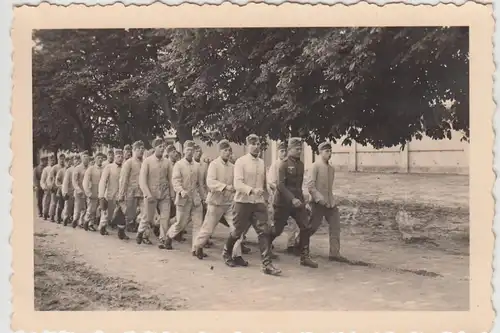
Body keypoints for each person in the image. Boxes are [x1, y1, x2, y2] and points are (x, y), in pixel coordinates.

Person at [222, 134, 281, 276]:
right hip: (242, 202)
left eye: (258, 143)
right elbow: (237, 183)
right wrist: (252, 190)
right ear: (247, 145)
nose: (256, 146)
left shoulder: (261, 163)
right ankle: (226, 252)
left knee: (264, 231)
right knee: (237, 232)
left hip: (258, 203)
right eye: (252, 143)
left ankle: (267, 264)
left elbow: (264, 182)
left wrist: (268, 193)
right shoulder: (241, 162)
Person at [192, 140, 246, 263]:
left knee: (237, 229)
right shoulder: (214, 165)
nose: (227, 153)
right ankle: (198, 246)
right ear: (220, 151)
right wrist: (225, 187)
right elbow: (210, 182)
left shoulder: (233, 167)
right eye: (225, 150)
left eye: (229, 150)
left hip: (228, 203)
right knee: (208, 228)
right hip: (215, 203)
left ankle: (236, 255)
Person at [270, 137, 318, 268]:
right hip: (283, 202)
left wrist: (303, 201)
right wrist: (292, 199)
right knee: (277, 230)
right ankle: (266, 246)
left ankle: (305, 257)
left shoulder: (301, 165)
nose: (299, 151)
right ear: (289, 150)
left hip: (297, 202)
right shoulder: (284, 164)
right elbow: (280, 185)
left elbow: (298, 186)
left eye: (301, 149)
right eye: (297, 149)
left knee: (306, 227)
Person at [306, 142, 348, 263]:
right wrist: (319, 199)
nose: (329, 154)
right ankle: (299, 244)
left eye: (330, 151)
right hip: (317, 203)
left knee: (335, 226)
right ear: (320, 152)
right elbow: (310, 186)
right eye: (326, 151)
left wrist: (331, 201)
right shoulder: (315, 166)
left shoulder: (331, 169)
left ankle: (334, 253)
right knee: (312, 227)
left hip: (330, 204)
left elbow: (329, 188)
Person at [164, 140, 205, 250]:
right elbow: (175, 181)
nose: (190, 152)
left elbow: (200, 184)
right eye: (188, 149)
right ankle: (168, 236)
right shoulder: (179, 165)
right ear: (183, 151)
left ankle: (196, 248)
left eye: (192, 150)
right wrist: (181, 191)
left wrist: (204, 198)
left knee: (198, 224)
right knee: (180, 224)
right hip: (183, 199)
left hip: (195, 199)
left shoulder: (197, 166)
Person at [138, 138, 174, 247]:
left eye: (163, 147)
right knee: (148, 217)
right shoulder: (147, 161)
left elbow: (171, 179)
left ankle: (162, 239)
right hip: (151, 194)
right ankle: (141, 232)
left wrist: (172, 194)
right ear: (155, 148)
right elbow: (142, 180)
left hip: (164, 194)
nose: (162, 149)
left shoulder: (167, 162)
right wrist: (147, 194)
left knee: (165, 217)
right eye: (160, 147)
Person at [267, 142, 300, 255]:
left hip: (290, 198)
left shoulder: (290, 164)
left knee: (293, 223)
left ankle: (291, 245)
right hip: (278, 198)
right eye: (281, 151)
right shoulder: (275, 165)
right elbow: (270, 182)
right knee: (276, 224)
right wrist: (278, 189)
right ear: (277, 152)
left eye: (285, 151)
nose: (284, 153)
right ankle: (268, 242)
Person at [98, 148, 128, 239]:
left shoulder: (125, 168)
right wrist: (101, 196)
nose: (120, 158)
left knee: (123, 213)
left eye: (121, 156)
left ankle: (121, 232)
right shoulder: (109, 167)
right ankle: (102, 227)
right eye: (118, 156)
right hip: (110, 195)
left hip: (122, 196)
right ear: (115, 157)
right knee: (107, 214)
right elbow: (103, 181)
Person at [118, 140, 145, 233]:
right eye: (139, 149)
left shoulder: (145, 163)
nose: (141, 151)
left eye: (142, 149)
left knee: (146, 213)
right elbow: (123, 179)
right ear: (134, 150)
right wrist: (121, 193)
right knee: (129, 214)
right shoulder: (128, 163)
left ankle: (143, 234)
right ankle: (121, 229)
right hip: (131, 192)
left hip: (142, 192)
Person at [82, 152, 105, 231]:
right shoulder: (91, 169)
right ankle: (86, 221)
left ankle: (94, 224)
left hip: (102, 191)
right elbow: (85, 182)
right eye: (98, 158)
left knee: (101, 209)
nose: (100, 160)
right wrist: (88, 192)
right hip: (93, 190)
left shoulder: (104, 168)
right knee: (91, 208)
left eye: (101, 158)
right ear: (95, 159)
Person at [72, 151, 90, 228]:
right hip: (79, 191)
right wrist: (78, 189)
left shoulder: (90, 168)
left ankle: (81, 222)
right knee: (78, 206)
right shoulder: (77, 168)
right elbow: (74, 181)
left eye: (87, 158)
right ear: (82, 159)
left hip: (87, 191)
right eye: (84, 157)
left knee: (85, 208)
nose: (86, 159)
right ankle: (75, 219)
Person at [62, 154, 80, 226]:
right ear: (73, 161)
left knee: (77, 206)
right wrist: (65, 192)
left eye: (79, 160)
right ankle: (65, 217)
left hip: (78, 191)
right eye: (76, 160)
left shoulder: (80, 169)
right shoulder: (69, 170)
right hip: (70, 191)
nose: (77, 161)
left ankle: (75, 220)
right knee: (68, 206)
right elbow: (65, 182)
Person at [54, 155, 71, 223]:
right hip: (62, 190)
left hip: (70, 190)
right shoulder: (61, 171)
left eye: (70, 162)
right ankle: (58, 217)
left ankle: (67, 217)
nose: (69, 164)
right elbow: (57, 180)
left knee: (69, 205)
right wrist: (60, 186)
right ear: (65, 162)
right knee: (61, 204)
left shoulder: (72, 170)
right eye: (67, 162)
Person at [40, 154, 55, 220]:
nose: (52, 161)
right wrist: (44, 187)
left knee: (53, 202)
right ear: (48, 161)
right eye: (51, 160)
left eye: (53, 160)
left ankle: (52, 215)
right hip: (47, 187)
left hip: (54, 188)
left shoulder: (56, 168)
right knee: (46, 201)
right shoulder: (46, 169)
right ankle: (45, 214)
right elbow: (42, 180)